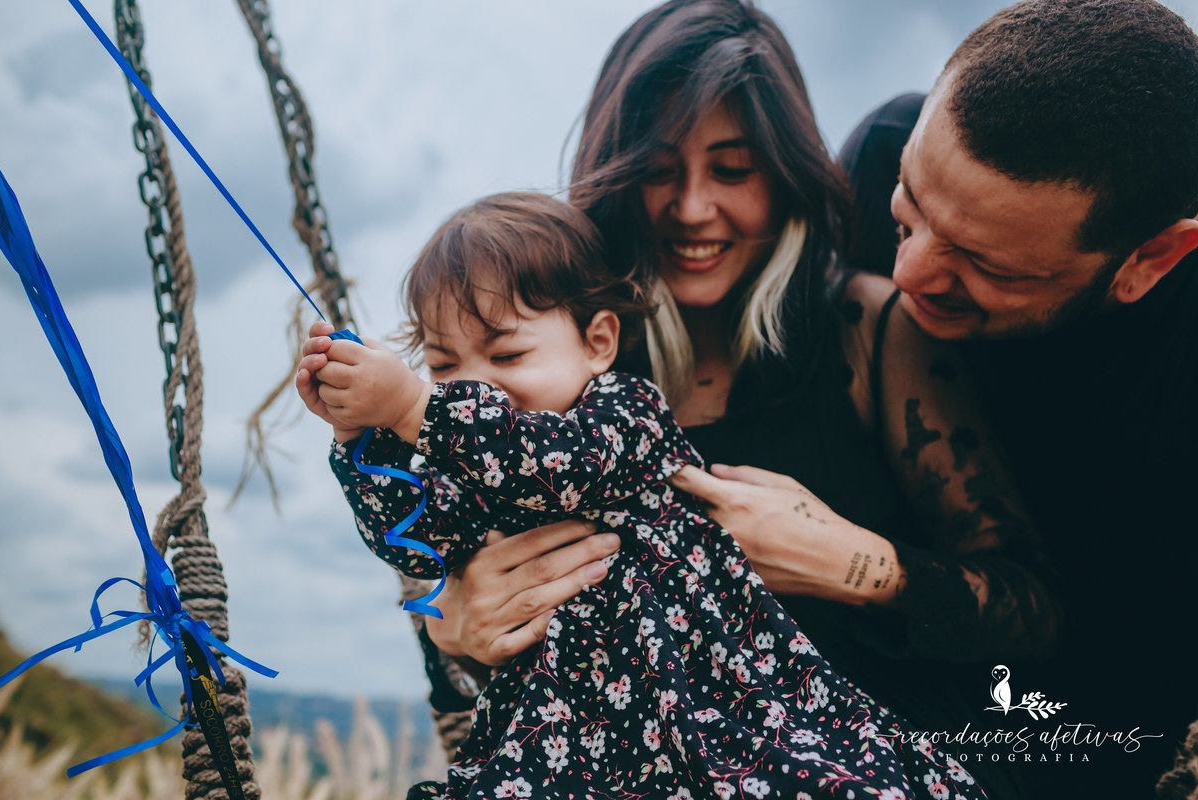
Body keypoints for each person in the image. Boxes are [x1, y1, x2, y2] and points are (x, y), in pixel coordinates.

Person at [388, 1, 1057, 797]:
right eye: (658, 171)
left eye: (733, 170)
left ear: (784, 176)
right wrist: (450, 621)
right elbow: (442, 554)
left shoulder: (866, 330)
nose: (693, 207)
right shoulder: (558, 364)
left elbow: (1035, 612)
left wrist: (854, 563)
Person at [296, 191, 987, 799]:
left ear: (597, 342)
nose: (472, 387)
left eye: (505, 357)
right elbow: (413, 531)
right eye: (445, 367)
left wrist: (417, 405)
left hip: (707, 697)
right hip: (565, 727)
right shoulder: (464, 454)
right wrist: (365, 440)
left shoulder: (625, 415)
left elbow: (556, 467)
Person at [837, 1, 1198, 797]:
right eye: (911, 204)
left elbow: (1121, 719)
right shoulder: (874, 154)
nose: (907, 278)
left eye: (986, 265)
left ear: (1151, 260)